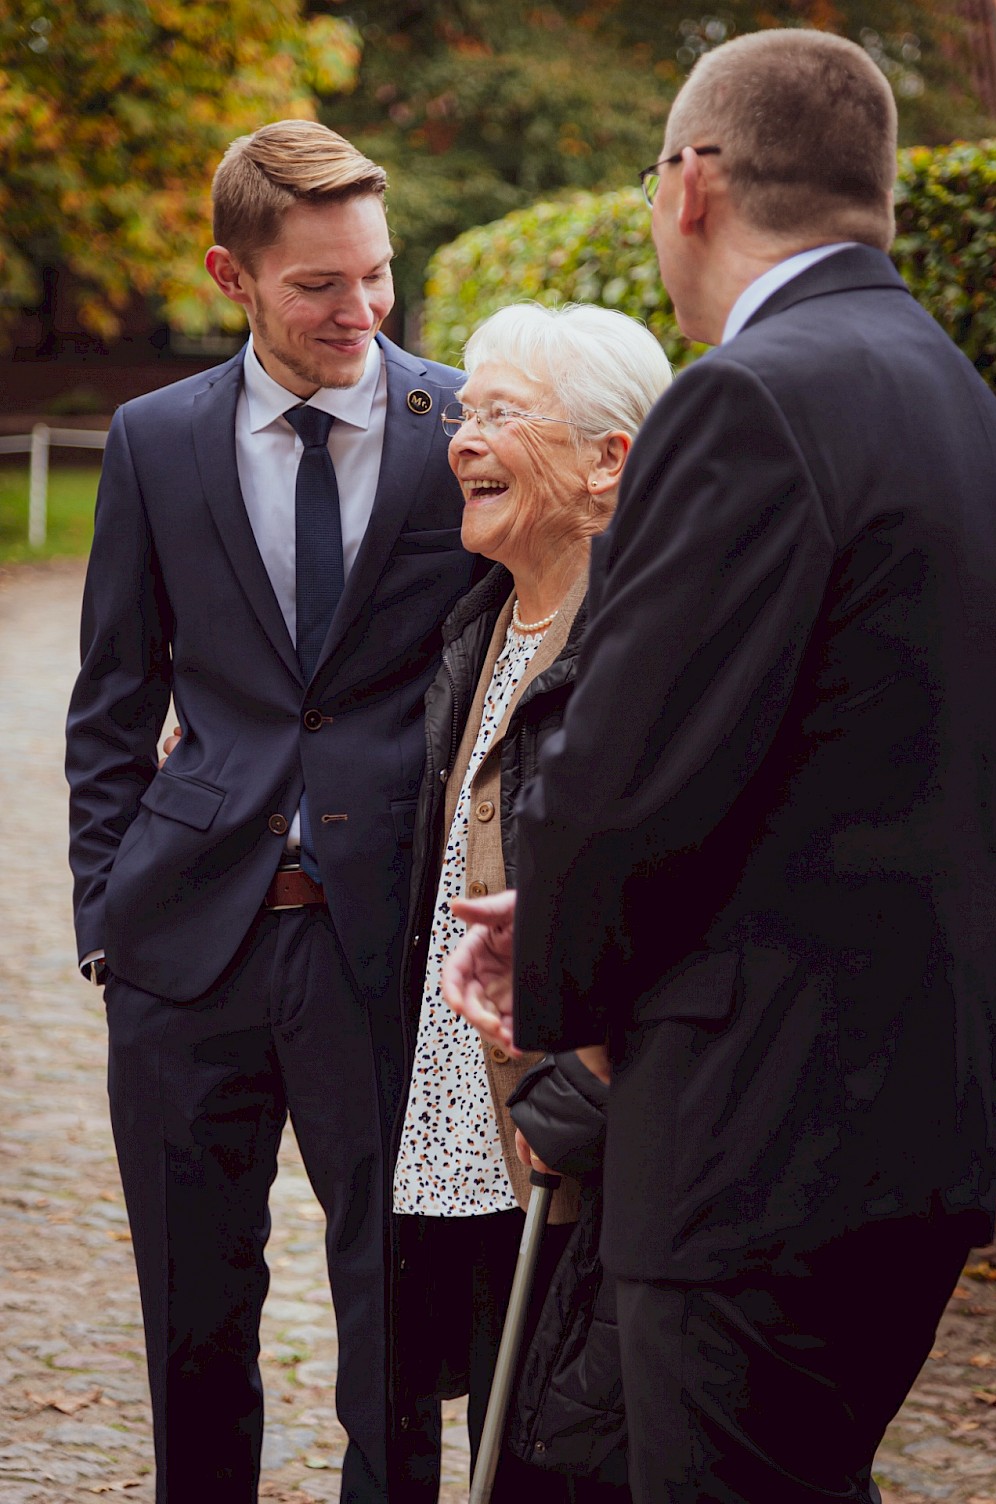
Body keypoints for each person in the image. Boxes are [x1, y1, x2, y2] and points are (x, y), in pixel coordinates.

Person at [443, 28, 996, 1504]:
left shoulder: (746, 398)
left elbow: (627, 769)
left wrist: (555, 955)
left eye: (650, 183)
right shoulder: (958, 398)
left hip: (753, 1143)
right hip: (919, 1125)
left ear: (692, 186)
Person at [65, 119, 478, 1504]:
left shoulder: (458, 424)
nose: (359, 310)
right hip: (186, 951)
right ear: (229, 275)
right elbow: (113, 703)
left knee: (396, 1335)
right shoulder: (156, 441)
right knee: (191, 1320)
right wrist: (105, 923)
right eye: (317, 286)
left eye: (375, 274)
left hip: (390, 953)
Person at [390, 302, 671, 1500]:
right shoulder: (481, 622)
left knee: (568, 1457)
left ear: (609, 463)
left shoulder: (648, 646)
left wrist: (582, 1097)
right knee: (493, 1447)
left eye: (504, 413)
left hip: (579, 1140)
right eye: (466, 410)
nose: (462, 436)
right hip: (466, 1135)